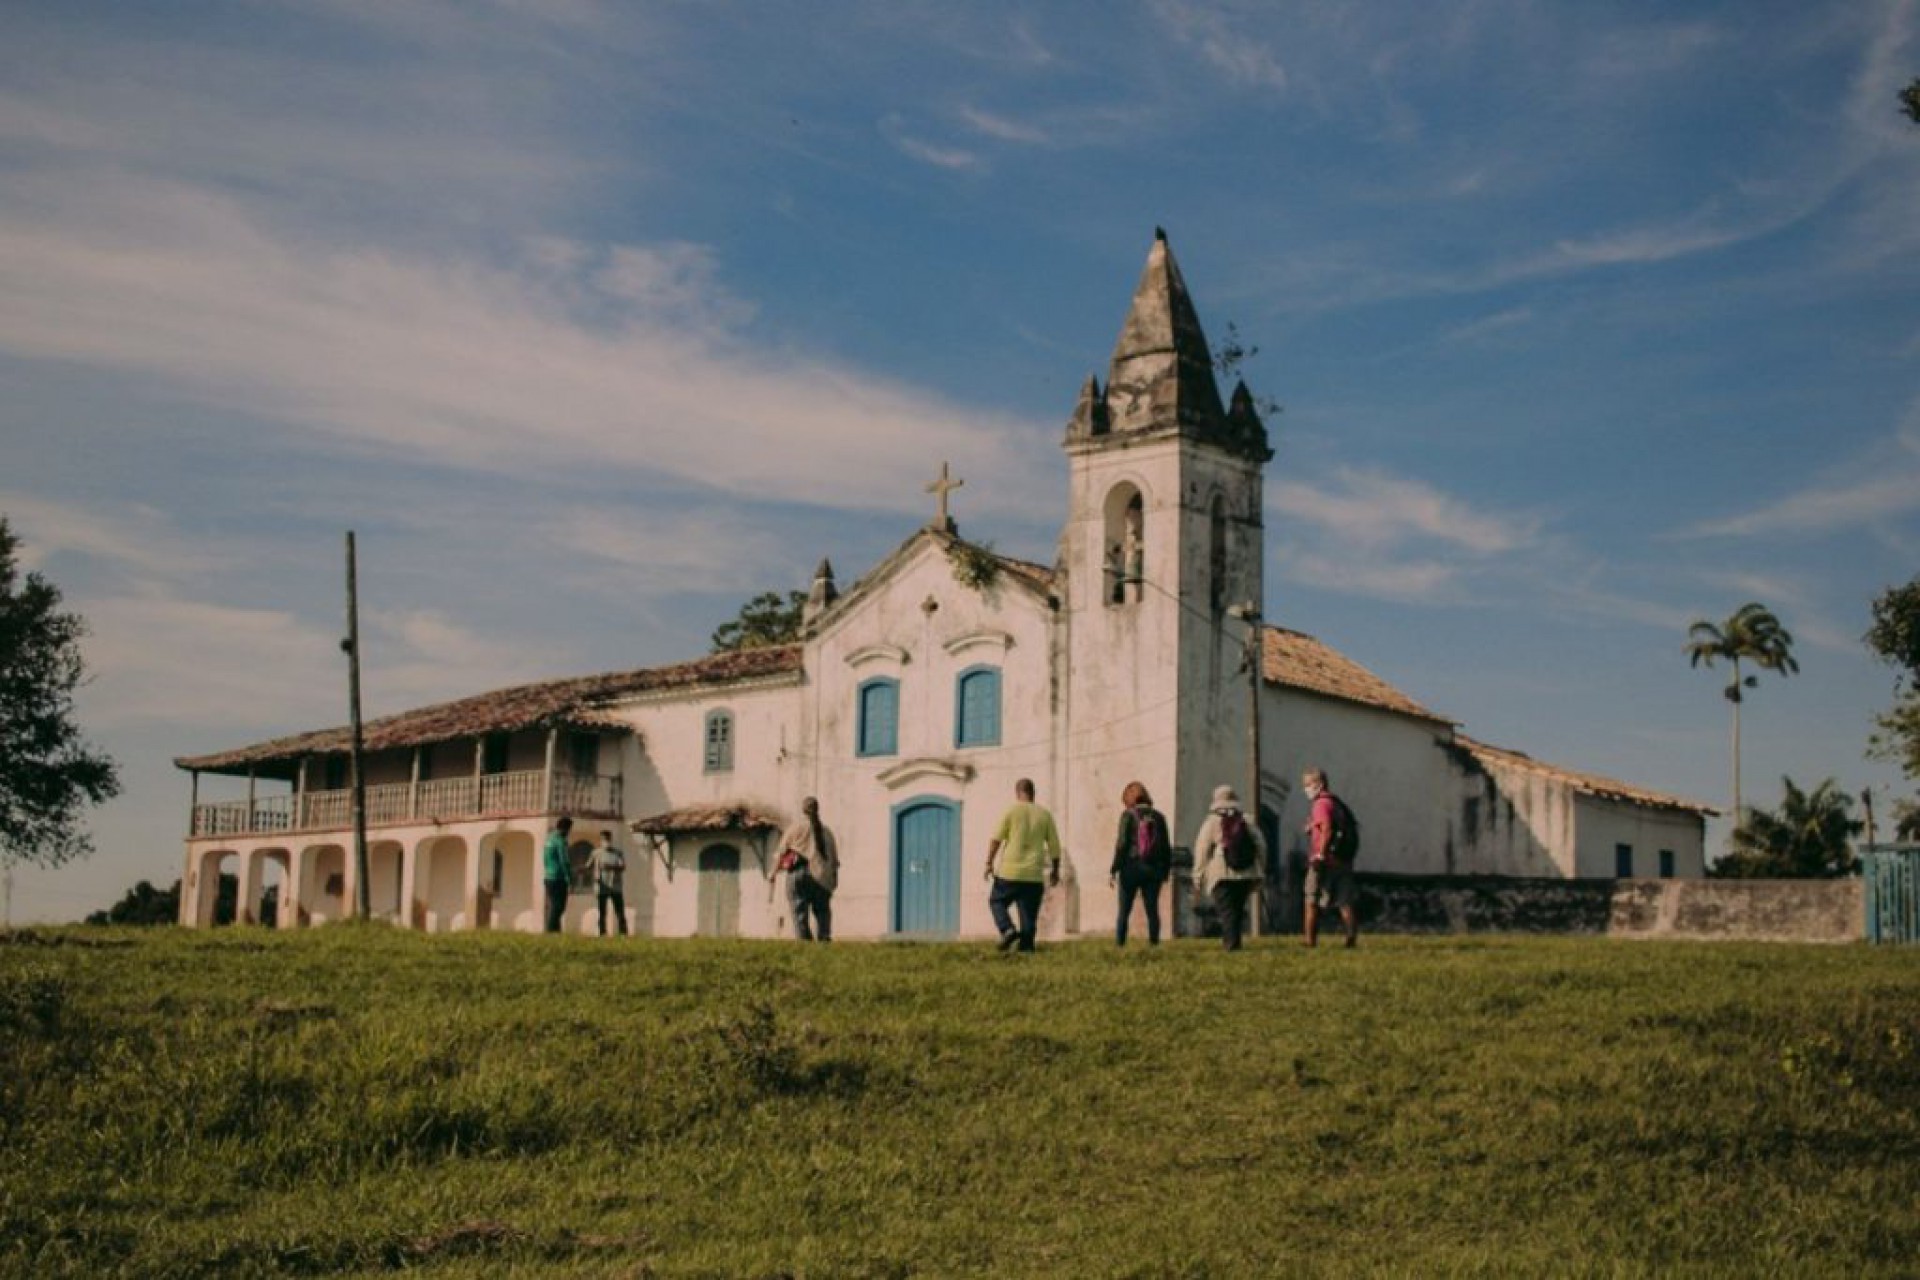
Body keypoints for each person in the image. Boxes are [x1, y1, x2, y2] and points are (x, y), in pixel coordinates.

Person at [984, 777, 1062, 952]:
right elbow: (1055, 846)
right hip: (1033, 875)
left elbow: (996, 839)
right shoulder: (1045, 815)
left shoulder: (1011, 811)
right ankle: (1026, 949)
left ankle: (1007, 929)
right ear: (1033, 793)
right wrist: (1055, 871)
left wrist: (989, 862)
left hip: (1009, 872)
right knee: (1028, 916)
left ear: (1017, 793)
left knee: (996, 901)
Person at [1191, 783, 1265, 951]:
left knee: (1226, 912)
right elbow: (1261, 845)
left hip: (1220, 873)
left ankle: (1231, 946)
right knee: (1237, 911)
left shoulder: (1211, 822)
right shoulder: (1247, 820)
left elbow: (1201, 849)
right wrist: (1260, 867)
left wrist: (1198, 875)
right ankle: (1234, 943)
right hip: (1245, 873)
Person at [1108, 781, 1171, 946]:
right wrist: (1165, 871)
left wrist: (1114, 868)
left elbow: (1121, 844)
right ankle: (1154, 944)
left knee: (1124, 911)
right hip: (1153, 869)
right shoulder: (1159, 816)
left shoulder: (1128, 815)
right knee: (1152, 910)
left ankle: (1120, 944)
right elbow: (1166, 847)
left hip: (1131, 868)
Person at [1302, 768, 1359, 948]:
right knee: (1344, 901)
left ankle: (1310, 940)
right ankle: (1351, 938)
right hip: (1342, 860)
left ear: (1318, 784)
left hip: (1325, 860)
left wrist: (1320, 853)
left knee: (1311, 899)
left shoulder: (1320, 804)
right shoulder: (1336, 803)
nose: (1305, 789)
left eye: (1308, 784)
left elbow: (1327, 828)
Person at [775, 796, 839, 942]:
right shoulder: (827, 832)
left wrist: (773, 874)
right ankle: (824, 940)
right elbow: (834, 862)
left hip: (798, 874)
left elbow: (781, 852)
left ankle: (805, 943)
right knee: (823, 912)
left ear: (803, 810)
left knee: (799, 913)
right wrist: (834, 880)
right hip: (822, 876)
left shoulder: (795, 828)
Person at [588, 829, 628, 937]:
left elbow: (623, 866)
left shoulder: (618, 853)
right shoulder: (596, 853)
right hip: (602, 886)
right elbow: (588, 866)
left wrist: (610, 867)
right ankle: (602, 932)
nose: (606, 841)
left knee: (619, 911)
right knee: (602, 912)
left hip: (615, 886)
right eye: (604, 839)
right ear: (601, 840)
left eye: (608, 839)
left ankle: (623, 933)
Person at [542, 816, 574, 934]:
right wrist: (569, 879)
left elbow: (545, 859)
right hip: (559, 878)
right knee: (559, 907)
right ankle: (550, 931)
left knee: (554, 905)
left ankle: (556, 932)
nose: (569, 833)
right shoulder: (561, 841)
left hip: (548, 877)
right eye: (569, 830)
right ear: (565, 828)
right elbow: (564, 861)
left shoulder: (549, 839)